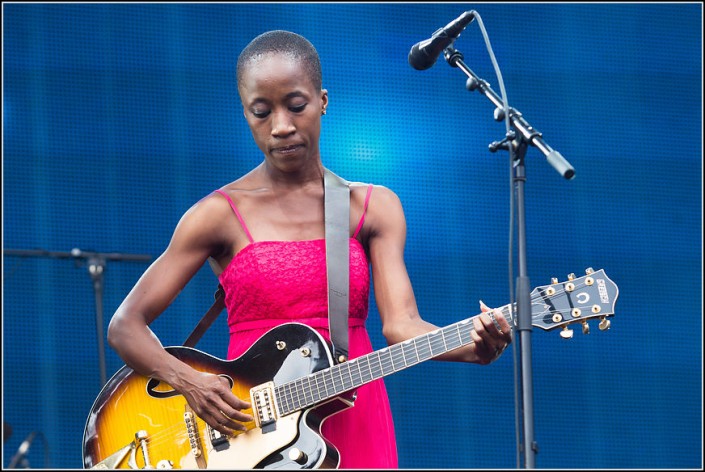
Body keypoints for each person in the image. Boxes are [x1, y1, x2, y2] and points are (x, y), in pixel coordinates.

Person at [107, 30, 513, 469]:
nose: (281, 126)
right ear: (245, 114)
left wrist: (471, 347)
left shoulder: (372, 206)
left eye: (296, 105)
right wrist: (190, 382)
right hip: (248, 434)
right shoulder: (217, 214)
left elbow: (402, 327)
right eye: (261, 112)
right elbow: (125, 325)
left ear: (322, 100)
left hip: (354, 415)